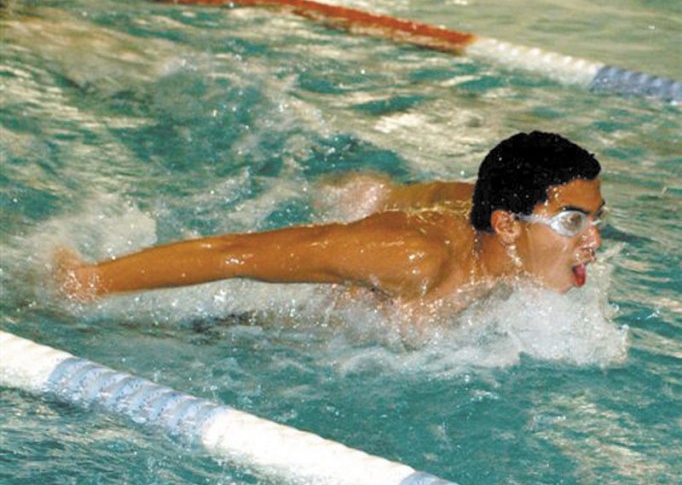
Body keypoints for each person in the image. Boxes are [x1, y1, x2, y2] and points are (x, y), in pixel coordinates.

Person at [56, 130, 606, 319]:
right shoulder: (413, 259)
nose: (594, 243)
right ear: (507, 226)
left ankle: (377, 191)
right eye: (574, 223)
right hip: (291, 327)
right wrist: (88, 283)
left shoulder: (514, 249)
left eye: (595, 221)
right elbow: (237, 253)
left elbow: (458, 195)